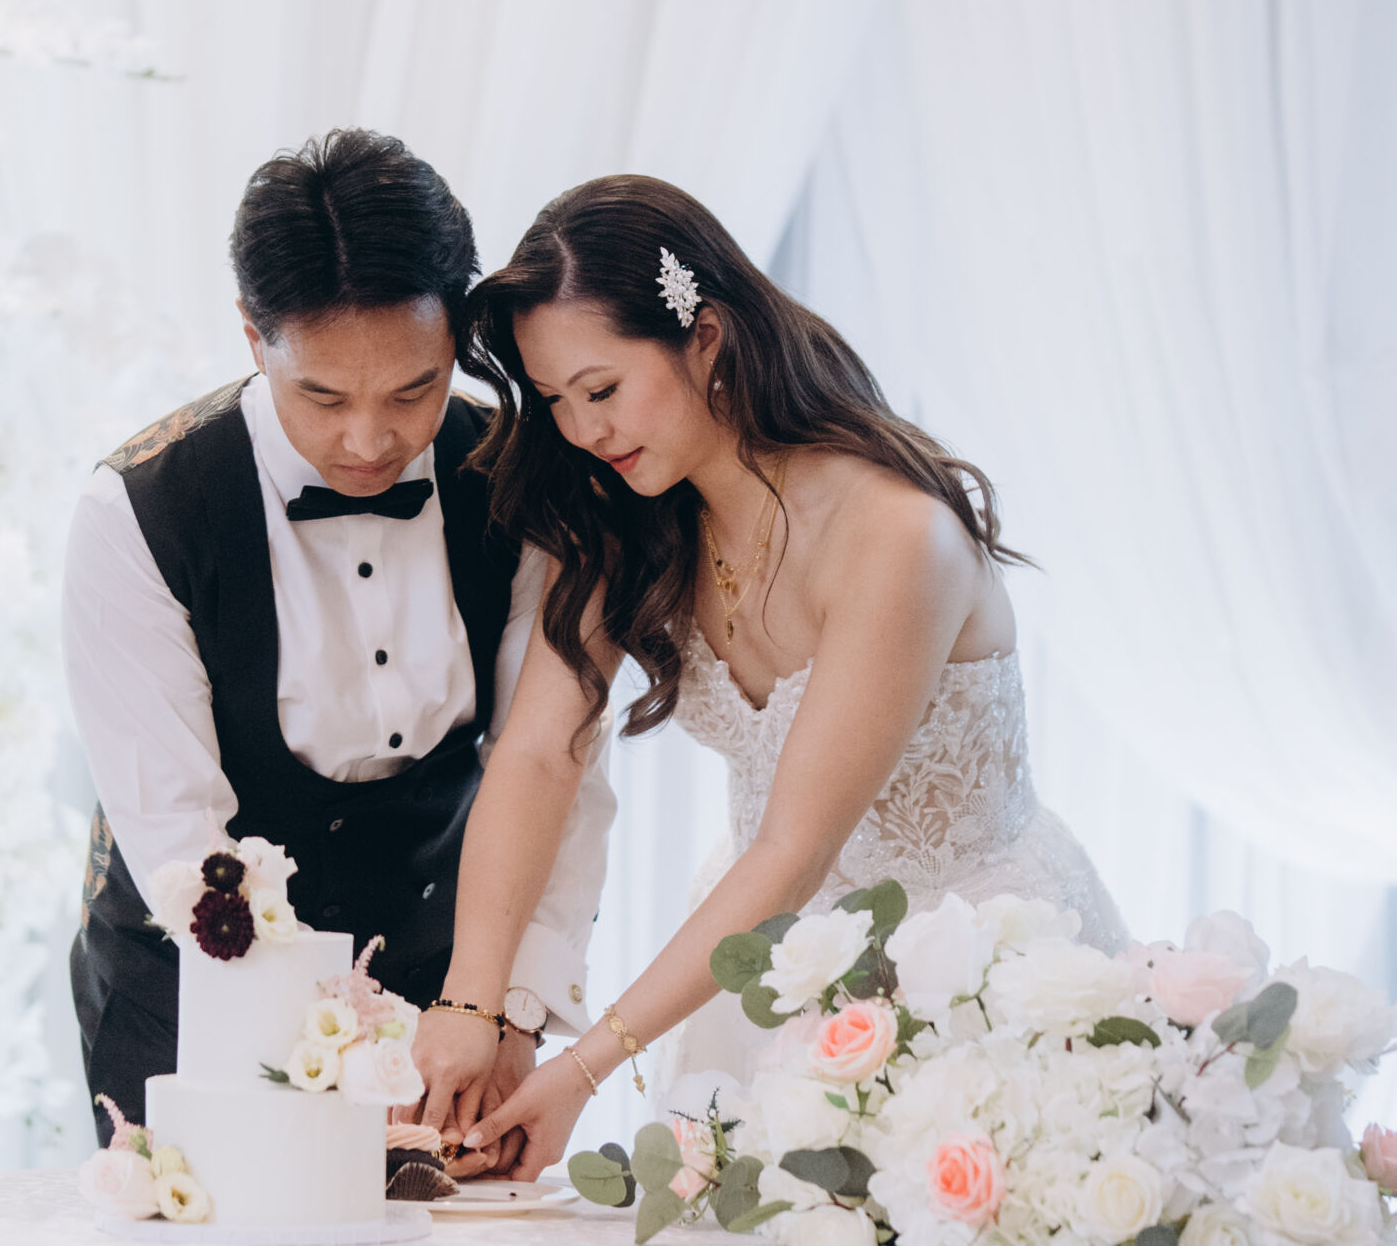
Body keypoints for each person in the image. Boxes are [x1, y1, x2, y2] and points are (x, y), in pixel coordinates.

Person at [419, 175, 1124, 1180]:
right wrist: (471, 1002)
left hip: (974, 963)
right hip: (766, 967)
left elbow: (794, 850)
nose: (581, 432)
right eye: (557, 401)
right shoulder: (630, 518)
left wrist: (582, 1069)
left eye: (602, 390)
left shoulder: (895, 537)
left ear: (705, 336)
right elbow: (536, 754)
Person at [64, 129, 614, 1144]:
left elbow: (552, 763)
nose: (369, 440)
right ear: (252, 337)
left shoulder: (518, 482)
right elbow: (181, 835)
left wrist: (512, 1007)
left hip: (451, 983)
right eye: (321, 395)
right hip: (193, 987)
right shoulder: (138, 512)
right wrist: (342, 1055)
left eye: (415, 390)